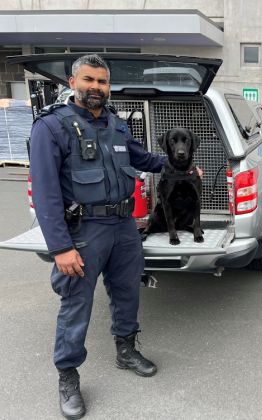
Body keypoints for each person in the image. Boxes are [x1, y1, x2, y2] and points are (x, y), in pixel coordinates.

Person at [30, 54, 166, 419]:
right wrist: (60, 247)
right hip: (83, 232)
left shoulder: (117, 126)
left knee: (127, 291)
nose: (96, 87)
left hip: (123, 226)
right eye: (89, 80)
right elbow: (45, 193)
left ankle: (126, 350)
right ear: (73, 82)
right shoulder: (51, 127)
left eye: (102, 82)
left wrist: (178, 165)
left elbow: (144, 159)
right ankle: (68, 375)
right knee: (77, 304)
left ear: (109, 87)